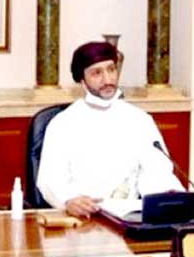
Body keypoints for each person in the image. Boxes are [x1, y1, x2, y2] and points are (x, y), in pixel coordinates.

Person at [36, 41, 183, 218]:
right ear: (82, 80)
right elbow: (51, 179)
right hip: (83, 219)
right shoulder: (63, 124)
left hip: (129, 218)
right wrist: (68, 200)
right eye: (97, 73)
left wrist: (169, 196)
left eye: (111, 70)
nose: (107, 80)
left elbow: (157, 171)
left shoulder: (139, 120)